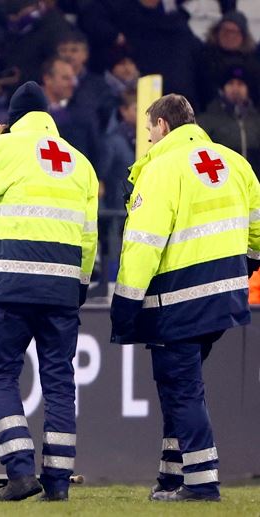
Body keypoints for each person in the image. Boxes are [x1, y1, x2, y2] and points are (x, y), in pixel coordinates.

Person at [0, 81, 99, 501]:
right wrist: (79, 286)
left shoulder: (6, 147)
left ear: (13, 118)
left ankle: (19, 472)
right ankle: (58, 484)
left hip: (12, 288)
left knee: (1, 376)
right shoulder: (80, 163)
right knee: (59, 383)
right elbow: (89, 237)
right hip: (62, 290)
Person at [110, 94, 260, 502]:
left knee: (182, 388)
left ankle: (201, 481)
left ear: (163, 125)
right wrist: (243, 270)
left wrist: (124, 305)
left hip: (177, 300)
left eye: (148, 131)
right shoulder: (235, 163)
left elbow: (143, 244)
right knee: (180, 386)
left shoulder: (161, 170)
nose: (148, 139)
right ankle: (173, 475)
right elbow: (257, 231)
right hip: (224, 300)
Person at [198, 66, 260, 173]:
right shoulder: (208, 120)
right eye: (231, 83)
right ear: (222, 89)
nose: (235, 88)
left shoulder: (256, 120)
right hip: (225, 184)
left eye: (240, 84)